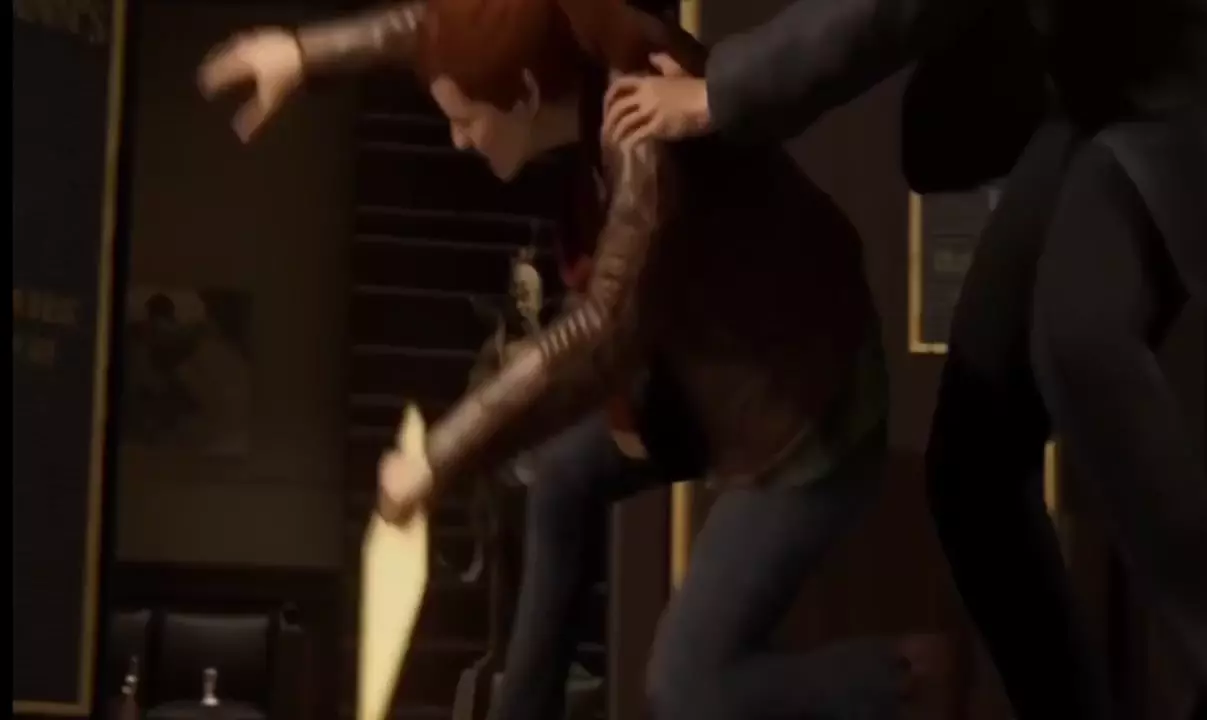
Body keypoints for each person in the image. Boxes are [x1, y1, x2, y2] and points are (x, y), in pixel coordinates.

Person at [198, 0, 956, 718]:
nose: (458, 139)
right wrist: (302, 54)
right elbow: (430, 27)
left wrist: (439, 455)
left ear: (526, 95)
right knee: (562, 477)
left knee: (687, 689)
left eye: (466, 119)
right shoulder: (553, 32)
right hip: (699, 378)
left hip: (800, 414)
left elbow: (601, 332)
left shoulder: (642, 137)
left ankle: (908, 676)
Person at [603, 1, 1207, 719]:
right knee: (970, 464)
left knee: (1079, 339)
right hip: (1091, 100)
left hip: (1184, 104)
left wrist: (720, 92)